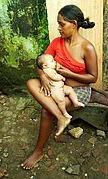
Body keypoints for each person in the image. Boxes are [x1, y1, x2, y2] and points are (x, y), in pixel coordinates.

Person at [21, 4, 98, 169]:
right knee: (30, 83)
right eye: (58, 23)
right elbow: (41, 62)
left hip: (77, 91)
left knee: (46, 110)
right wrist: (43, 77)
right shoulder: (56, 43)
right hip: (56, 87)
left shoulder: (87, 47)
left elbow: (92, 77)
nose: (59, 28)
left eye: (62, 24)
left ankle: (38, 151)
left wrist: (67, 73)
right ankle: (62, 117)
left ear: (74, 24)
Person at [37, 53, 85, 136]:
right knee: (61, 100)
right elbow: (54, 77)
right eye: (52, 61)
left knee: (70, 90)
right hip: (55, 91)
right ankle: (64, 113)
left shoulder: (50, 68)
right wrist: (61, 77)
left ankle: (75, 102)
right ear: (45, 65)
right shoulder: (48, 71)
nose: (55, 62)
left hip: (61, 88)